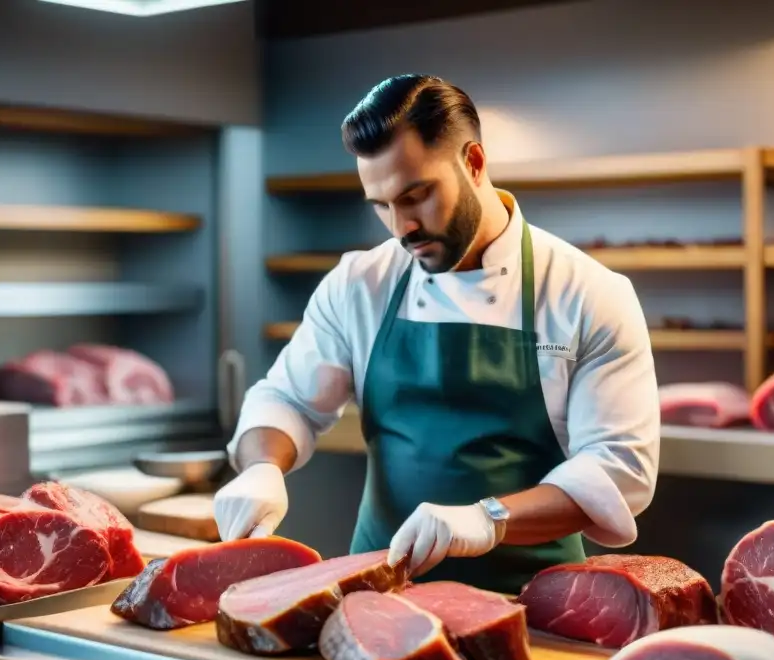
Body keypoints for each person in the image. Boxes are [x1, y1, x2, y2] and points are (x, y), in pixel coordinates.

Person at [213, 74, 660, 594]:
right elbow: (287, 397)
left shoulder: (587, 292)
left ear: (473, 163)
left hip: (534, 601)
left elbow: (618, 469)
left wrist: (488, 519)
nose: (400, 226)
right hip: (380, 592)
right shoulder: (361, 284)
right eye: (380, 205)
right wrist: (262, 467)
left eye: (416, 196)